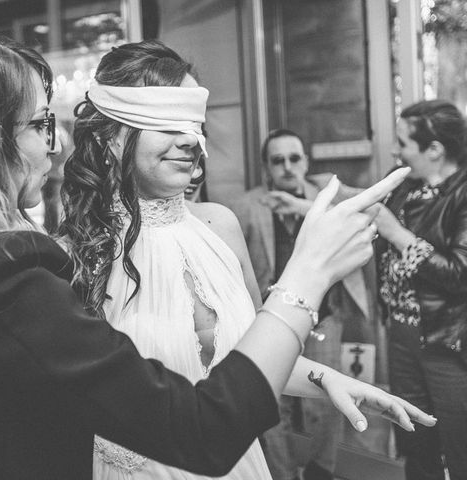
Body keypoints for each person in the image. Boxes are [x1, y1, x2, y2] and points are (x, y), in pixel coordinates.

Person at [0, 25, 431, 480]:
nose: (54, 145)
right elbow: (193, 424)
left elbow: (234, 356)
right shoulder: (20, 268)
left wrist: (325, 378)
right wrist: (307, 274)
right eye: (40, 125)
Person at [58, 40, 427, 480]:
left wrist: (326, 379)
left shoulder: (220, 226)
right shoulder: (76, 254)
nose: (190, 140)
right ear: (112, 136)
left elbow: (250, 354)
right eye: (169, 122)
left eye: (195, 123)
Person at [232, 129, 372, 480]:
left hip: (323, 319)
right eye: (278, 160)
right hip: (268, 322)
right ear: (266, 168)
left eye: (295, 158)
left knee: (327, 398)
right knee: (270, 401)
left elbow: (369, 221)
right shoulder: (247, 207)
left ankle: (321, 471)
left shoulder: (326, 200)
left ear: (306, 162)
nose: (288, 167)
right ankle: (281, 473)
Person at [374, 99, 467, 480]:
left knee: (460, 446)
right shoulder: (405, 183)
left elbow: (460, 273)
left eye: (402, 142)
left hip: (446, 340)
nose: (395, 150)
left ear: (434, 150)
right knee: (414, 441)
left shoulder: (462, 194)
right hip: (401, 334)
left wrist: (396, 234)